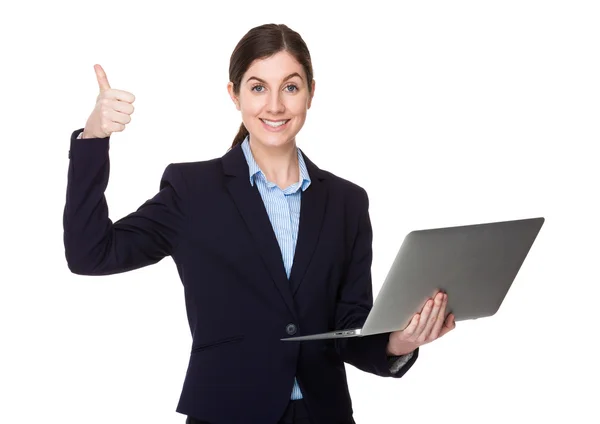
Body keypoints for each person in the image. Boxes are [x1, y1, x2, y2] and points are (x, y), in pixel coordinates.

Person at [63, 23, 456, 424]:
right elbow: (91, 254)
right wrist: (94, 137)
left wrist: (399, 342)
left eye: (290, 87)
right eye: (257, 87)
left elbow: (348, 330)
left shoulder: (347, 202)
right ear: (234, 95)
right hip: (228, 412)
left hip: (324, 415)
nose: (274, 106)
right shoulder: (192, 191)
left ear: (311, 93)